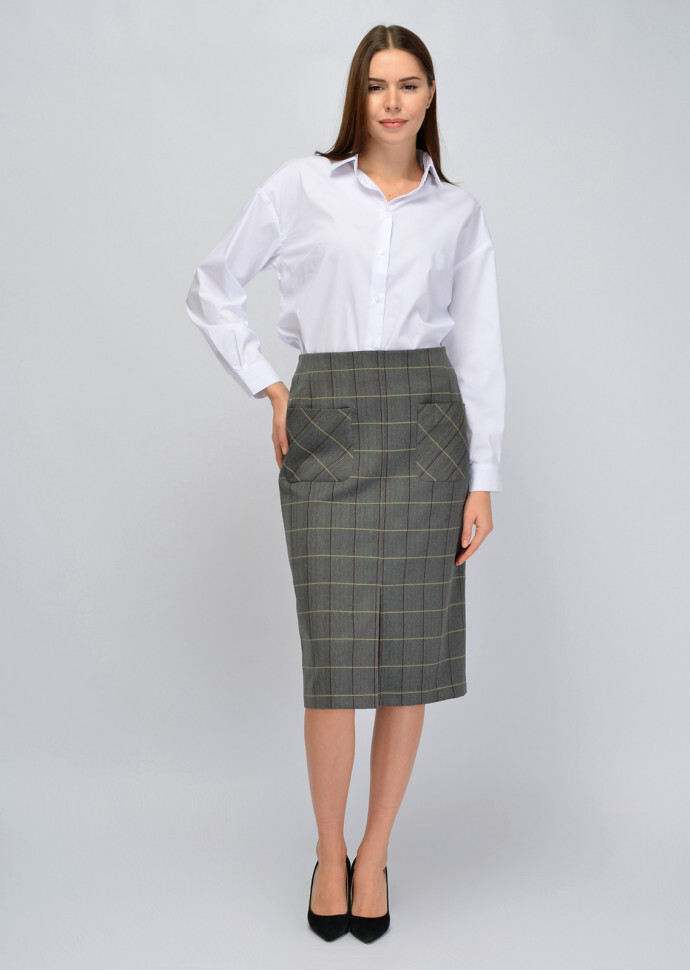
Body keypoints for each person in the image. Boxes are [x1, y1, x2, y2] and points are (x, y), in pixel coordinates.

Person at [185, 23, 506, 944]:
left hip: (427, 429)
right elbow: (213, 285)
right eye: (377, 85)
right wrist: (270, 384)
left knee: (406, 662)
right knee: (333, 663)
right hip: (326, 419)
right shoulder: (302, 187)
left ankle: (375, 852)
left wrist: (482, 478)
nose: (393, 101)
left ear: (431, 95)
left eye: (409, 84)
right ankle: (328, 853)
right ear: (356, 96)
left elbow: (478, 348)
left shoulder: (459, 213)